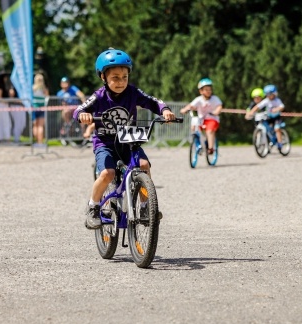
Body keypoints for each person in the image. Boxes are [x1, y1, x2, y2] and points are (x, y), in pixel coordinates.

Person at [73, 48, 176, 229]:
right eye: (115, 77)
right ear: (103, 77)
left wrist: (165, 110)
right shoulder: (99, 96)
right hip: (105, 143)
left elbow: (153, 101)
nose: (121, 82)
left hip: (129, 140)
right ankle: (93, 207)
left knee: (143, 165)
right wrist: (83, 115)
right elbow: (79, 110)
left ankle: (145, 207)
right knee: (107, 174)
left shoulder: (133, 93)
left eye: (124, 77)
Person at [179, 78, 223, 154]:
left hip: (212, 119)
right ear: (201, 91)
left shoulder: (215, 99)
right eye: (206, 89)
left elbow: (219, 106)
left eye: (210, 89)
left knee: (209, 130)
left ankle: (210, 148)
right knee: (194, 127)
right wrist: (185, 109)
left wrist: (216, 112)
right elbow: (191, 105)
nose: (208, 91)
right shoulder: (198, 99)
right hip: (201, 120)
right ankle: (198, 144)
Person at [246, 84, 285, 150]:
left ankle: (280, 143)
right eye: (267, 94)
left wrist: (277, 109)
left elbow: (282, 106)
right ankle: (268, 141)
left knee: (277, 129)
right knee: (266, 127)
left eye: (270, 94)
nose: (269, 96)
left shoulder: (277, 100)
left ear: (274, 94)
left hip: (276, 117)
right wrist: (251, 112)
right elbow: (257, 107)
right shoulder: (266, 101)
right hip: (269, 117)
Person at [57, 76, 86, 144]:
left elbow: (81, 95)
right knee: (65, 112)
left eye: (66, 82)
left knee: (83, 117)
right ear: (61, 84)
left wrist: (85, 104)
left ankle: (84, 135)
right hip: (67, 111)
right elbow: (62, 104)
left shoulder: (73, 89)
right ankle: (68, 125)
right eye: (63, 83)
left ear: (69, 83)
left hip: (76, 109)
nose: (65, 84)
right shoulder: (59, 93)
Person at [32, 73, 49, 146]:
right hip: (42, 108)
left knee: (35, 126)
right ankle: (40, 142)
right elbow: (47, 98)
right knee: (40, 126)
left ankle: (36, 142)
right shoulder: (44, 89)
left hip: (34, 108)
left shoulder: (32, 88)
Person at [0, 72, 11, 143]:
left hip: (0, 106)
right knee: (6, 122)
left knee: (2, 123)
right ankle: (7, 139)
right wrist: (7, 102)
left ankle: (1, 139)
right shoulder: (0, 87)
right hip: (2, 106)